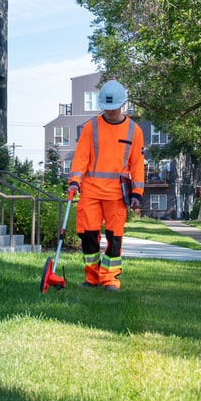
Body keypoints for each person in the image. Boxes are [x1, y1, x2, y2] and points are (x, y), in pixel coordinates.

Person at [68, 80, 145, 290]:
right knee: (88, 236)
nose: (110, 112)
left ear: (122, 105)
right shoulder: (90, 128)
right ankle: (92, 277)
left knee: (115, 238)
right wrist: (74, 181)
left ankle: (110, 279)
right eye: (106, 108)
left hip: (116, 195)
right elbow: (81, 157)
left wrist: (137, 193)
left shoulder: (134, 131)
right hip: (90, 192)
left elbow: (137, 164)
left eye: (114, 108)